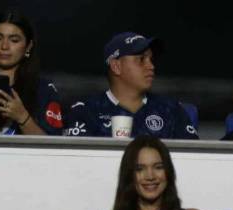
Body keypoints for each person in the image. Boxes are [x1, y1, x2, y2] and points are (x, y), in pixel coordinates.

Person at [63, 32, 197, 139]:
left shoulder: (171, 110)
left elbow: (194, 160)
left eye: (151, 59)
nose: (151, 66)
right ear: (116, 66)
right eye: (141, 59)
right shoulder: (86, 111)